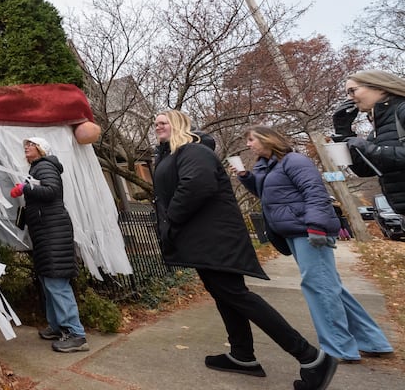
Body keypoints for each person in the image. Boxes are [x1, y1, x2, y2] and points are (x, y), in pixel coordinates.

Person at [151, 110, 337, 390]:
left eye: (163, 121)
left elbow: (196, 186)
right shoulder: (171, 154)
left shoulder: (193, 150)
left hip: (213, 238)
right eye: (155, 123)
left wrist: (170, 219)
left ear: (180, 124)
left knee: (236, 295)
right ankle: (242, 355)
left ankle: (311, 357)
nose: (157, 126)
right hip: (201, 237)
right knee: (225, 295)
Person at [235, 125, 393, 362]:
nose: (248, 145)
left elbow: (314, 192)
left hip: (308, 231)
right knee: (330, 286)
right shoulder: (266, 166)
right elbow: (267, 195)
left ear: (267, 139)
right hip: (293, 232)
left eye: (251, 140)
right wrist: (245, 177)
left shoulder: (294, 161)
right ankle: (372, 340)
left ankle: (338, 349)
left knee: (319, 287)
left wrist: (316, 226)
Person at [10, 136, 87, 353]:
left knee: (56, 281)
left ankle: (76, 334)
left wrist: (25, 189)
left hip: (53, 232)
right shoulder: (38, 168)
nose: (26, 147)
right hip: (46, 232)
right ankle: (57, 326)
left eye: (31, 144)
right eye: (25, 144)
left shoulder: (44, 166)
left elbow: (52, 191)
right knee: (48, 280)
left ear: (41, 149)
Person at [333, 69, 405, 214]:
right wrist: (342, 132)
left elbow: (374, 153)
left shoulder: (402, 110)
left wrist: (373, 150)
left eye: (352, 91)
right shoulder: (379, 126)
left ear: (378, 86)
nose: (349, 98)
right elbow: (364, 170)